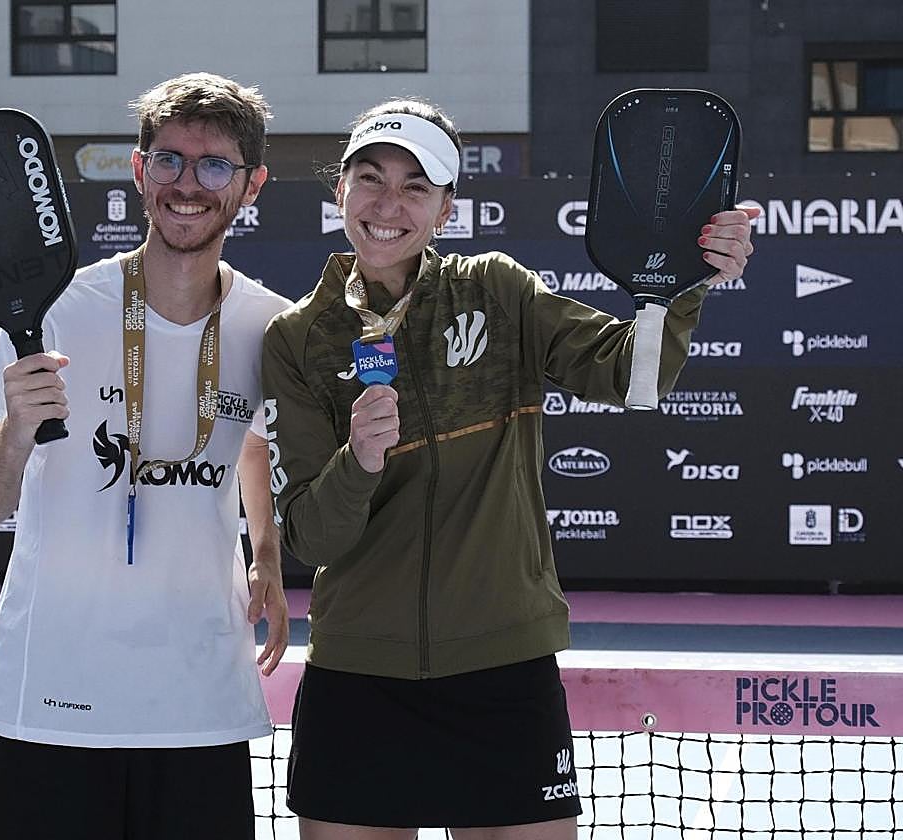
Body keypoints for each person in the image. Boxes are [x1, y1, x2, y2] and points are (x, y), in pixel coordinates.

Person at [261, 100, 758, 839]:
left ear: (446, 209)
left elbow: (636, 381)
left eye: (415, 186)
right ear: (340, 190)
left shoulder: (499, 289)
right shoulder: (297, 338)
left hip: (502, 670)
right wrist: (359, 461)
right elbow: (314, 538)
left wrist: (680, 286)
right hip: (358, 676)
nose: (388, 204)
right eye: (370, 179)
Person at [0, 72, 291, 840]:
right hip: (54, 704)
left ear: (251, 186)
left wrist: (266, 554)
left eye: (215, 165)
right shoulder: (50, 317)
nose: (188, 184)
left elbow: (252, 442)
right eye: (169, 160)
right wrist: (13, 432)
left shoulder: (270, 325)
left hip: (198, 707)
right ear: (139, 172)